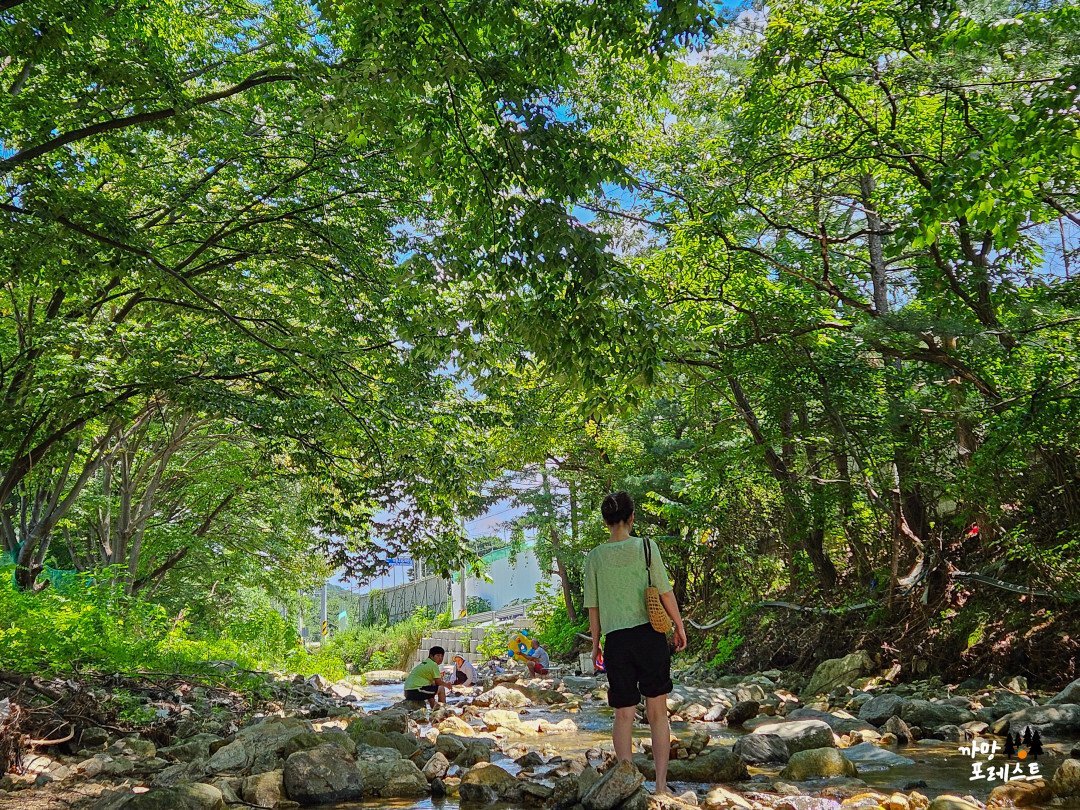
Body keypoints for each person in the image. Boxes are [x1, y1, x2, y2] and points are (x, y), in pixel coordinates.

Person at [583, 491, 687, 796]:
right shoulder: (646, 547)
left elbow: (593, 607)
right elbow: (665, 592)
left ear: (605, 521)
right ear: (631, 517)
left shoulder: (595, 557)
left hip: (617, 641)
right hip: (650, 637)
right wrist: (678, 625)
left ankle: (628, 787)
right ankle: (661, 787)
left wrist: (595, 645)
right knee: (658, 713)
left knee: (623, 714)